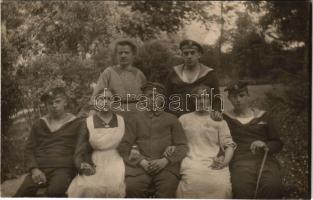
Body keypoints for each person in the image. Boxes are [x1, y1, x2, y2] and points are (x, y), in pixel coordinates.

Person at [14, 87, 91, 197]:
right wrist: (34, 169)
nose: (54, 105)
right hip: (40, 168)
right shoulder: (39, 124)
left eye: (57, 101)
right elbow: (29, 149)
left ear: (65, 102)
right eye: (50, 103)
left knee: (54, 193)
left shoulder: (77, 123)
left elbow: (83, 147)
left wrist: (84, 164)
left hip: (63, 169)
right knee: (21, 194)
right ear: (46, 105)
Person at [117, 82, 188, 198]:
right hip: (140, 167)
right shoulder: (134, 119)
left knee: (168, 187)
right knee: (132, 187)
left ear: (162, 99)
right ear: (144, 98)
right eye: (150, 95)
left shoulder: (172, 119)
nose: (153, 99)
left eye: (157, 96)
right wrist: (141, 161)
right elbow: (124, 146)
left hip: (166, 167)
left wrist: (165, 160)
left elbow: (182, 146)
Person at [223, 80, 284, 199]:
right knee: (241, 189)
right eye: (234, 96)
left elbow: (277, 143)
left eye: (241, 95)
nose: (238, 100)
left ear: (248, 96)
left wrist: (265, 144)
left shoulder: (264, 116)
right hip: (240, 161)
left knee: (273, 186)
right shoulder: (226, 118)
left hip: (265, 160)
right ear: (229, 98)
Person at [176, 85, 236, 198]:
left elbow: (229, 145)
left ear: (210, 100)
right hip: (192, 162)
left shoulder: (218, 120)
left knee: (221, 186)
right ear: (193, 100)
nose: (202, 101)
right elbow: (177, 143)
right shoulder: (184, 119)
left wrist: (225, 162)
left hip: (214, 162)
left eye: (205, 98)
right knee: (192, 185)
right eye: (198, 98)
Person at [67, 89, 126, 197]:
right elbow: (80, 150)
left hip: (116, 159)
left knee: (114, 188)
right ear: (96, 102)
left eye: (109, 99)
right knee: (87, 187)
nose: (105, 102)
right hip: (95, 160)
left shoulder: (121, 120)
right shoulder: (88, 122)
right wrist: (82, 165)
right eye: (102, 99)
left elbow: (127, 144)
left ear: (114, 102)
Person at [80, 38, 147, 117]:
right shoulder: (108, 73)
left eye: (126, 52)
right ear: (116, 55)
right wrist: (92, 111)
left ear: (133, 54)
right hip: (115, 115)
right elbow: (97, 95)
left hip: (137, 115)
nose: (123, 55)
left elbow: (145, 97)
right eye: (120, 53)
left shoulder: (139, 74)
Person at [166, 39, 221, 117]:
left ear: (199, 55)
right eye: (186, 53)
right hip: (177, 117)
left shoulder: (209, 74)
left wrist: (216, 111)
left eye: (192, 53)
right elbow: (167, 97)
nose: (189, 56)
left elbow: (217, 98)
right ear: (182, 55)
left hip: (200, 118)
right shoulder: (174, 73)